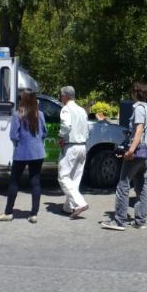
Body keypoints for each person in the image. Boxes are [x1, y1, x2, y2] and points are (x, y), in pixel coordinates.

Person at [101, 81, 147, 231]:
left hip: (137, 152)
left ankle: (119, 220)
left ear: (136, 93)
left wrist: (130, 150)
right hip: (146, 152)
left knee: (123, 185)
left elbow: (138, 131)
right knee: (141, 186)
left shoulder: (138, 109)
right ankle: (140, 220)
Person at [0, 90, 47, 224]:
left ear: (23, 100)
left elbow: (13, 135)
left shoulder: (17, 114)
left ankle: (8, 212)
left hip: (22, 152)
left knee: (14, 182)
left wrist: (19, 143)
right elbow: (44, 133)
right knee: (35, 182)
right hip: (38, 152)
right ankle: (34, 214)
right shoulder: (40, 114)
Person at [57, 86, 90, 219]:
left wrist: (60, 137)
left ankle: (80, 203)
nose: (60, 97)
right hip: (82, 146)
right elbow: (87, 129)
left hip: (71, 146)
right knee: (75, 178)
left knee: (63, 176)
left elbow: (66, 126)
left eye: (61, 95)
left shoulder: (66, 109)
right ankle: (69, 207)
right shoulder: (82, 110)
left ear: (65, 96)